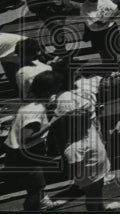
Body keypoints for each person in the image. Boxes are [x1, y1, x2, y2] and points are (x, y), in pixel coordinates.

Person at [5, 72, 65, 210]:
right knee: (36, 189)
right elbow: (26, 138)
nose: (59, 88)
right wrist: (52, 122)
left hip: (17, 151)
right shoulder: (36, 110)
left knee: (36, 186)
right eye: (57, 86)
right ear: (49, 89)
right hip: (24, 154)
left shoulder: (32, 101)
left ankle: (42, 204)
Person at [60, 110, 120, 211]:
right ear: (75, 127)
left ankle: (102, 207)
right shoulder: (73, 148)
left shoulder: (89, 129)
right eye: (85, 121)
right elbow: (73, 170)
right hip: (90, 179)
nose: (89, 122)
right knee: (92, 198)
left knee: (98, 192)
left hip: (100, 171)